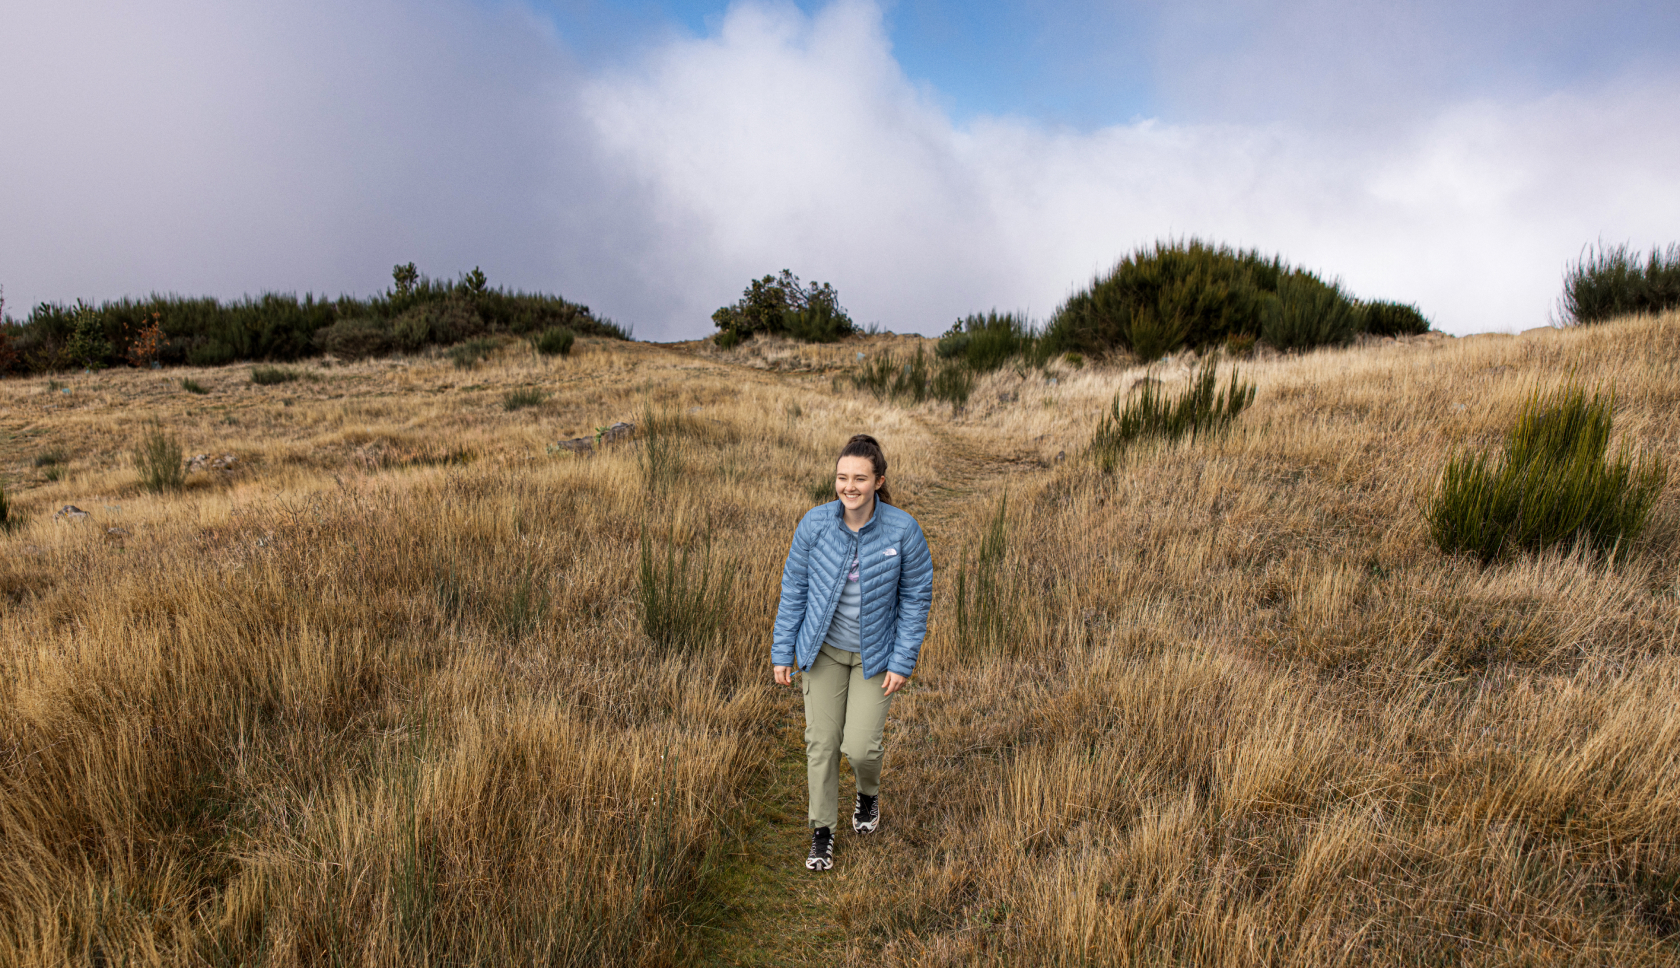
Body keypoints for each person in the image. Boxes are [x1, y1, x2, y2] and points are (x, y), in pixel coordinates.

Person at [772, 434, 933, 872]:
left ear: (878, 481)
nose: (849, 486)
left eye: (860, 478)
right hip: (822, 651)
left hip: (874, 656)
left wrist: (902, 660)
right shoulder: (814, 524)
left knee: (861, 748)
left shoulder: (903, 530)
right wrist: (782, 652)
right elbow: (794, 591)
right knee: (821, 743)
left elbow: (917, 597)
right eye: (842, 477)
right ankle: (822, 832)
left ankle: (867, 793)